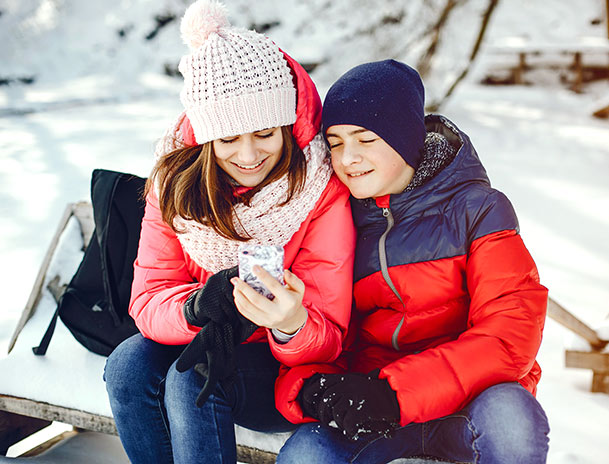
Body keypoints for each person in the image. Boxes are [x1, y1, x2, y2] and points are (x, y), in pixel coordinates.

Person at [103, 1, 355, 463]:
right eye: (228, 139)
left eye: (264, 133)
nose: (248, 154)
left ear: (286, 127)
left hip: (284, 366)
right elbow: (147, 300)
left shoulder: (319, 188)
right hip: (201, 338)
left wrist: (290, 321)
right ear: (205, 140)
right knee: (127, 366)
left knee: (193, 375)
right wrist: (197, 306)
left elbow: (330, 336)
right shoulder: (176, 187)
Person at [275, 60, 550, 464]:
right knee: (307, 455)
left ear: (404, 138)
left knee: (513, 419)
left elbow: (509, 335)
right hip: (373, 409)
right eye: (335, 143)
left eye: (365, 139)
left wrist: (395, 393)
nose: (348, 158)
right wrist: (312, 388)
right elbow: (321, 331)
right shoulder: (334, 219)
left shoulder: (478, 210)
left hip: (470, 405)